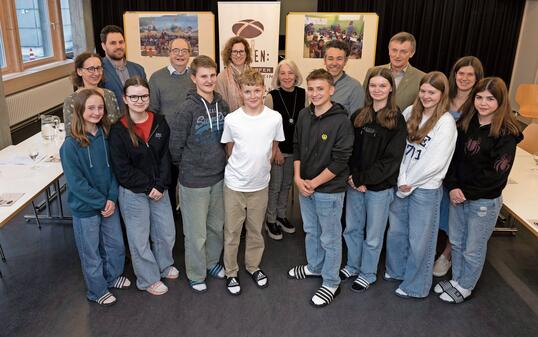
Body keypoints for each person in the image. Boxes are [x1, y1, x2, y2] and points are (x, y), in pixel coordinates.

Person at [434, 77, 522, 303]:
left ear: (500, 101)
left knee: (473, 247)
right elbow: (451, 158)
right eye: (479, 97)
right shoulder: (466, 124)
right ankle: (457, 280)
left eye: (490, 99)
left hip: (482, 201)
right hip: (458, 195)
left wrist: (466, 192)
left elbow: (496, 174)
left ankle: (465, 286)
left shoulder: (506, 133)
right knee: (457, 241)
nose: (483, 103)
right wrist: (453, 187)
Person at [385, 71, 457, 299]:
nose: (426, 96)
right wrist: (402, 179)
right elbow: (400, 149)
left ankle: (415, 286)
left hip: (425, 189)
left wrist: (411, 182)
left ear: (442, 94)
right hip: (402, 183)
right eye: (423, 91)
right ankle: (397, 271)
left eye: (432, 92)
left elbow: (436, 162)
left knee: (420, 241)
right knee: (396, 232)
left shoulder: (445, 122)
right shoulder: (409, 112)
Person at [287, 69, 354, 307]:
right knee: (312, 231)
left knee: (330, 237)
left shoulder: (342, 121)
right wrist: (297, 178)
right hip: (305, 186)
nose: (315, 94)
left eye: (320, 89)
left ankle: (331, 282)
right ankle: (315, 267)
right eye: (312, 89)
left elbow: (340, 161)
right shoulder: (304, 115)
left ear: (331, 90)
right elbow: (296, 147)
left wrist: (313, 183)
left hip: (328, 191)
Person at [60, 89, 130, 306]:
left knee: (115, 246)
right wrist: (101, 202)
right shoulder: (70, 145)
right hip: (86, 208)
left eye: (100, 108)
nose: (96, 112)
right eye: (91, 108)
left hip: (109, 203)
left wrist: (111, 198)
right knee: (91, 252)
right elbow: (76, 183)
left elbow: (113, 171)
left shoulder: (106, 136)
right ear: (79, 111)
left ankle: (112, 276)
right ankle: (97, 290)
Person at [340, 67, 407, 292]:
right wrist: (353, 178)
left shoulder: (397, 120)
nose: (377, 90)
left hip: (379, 187)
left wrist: (363, 179)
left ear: (390, 89)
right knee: (352, 228)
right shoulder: (358, 115)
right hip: (354, 184)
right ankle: (352, 264)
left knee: (373, 234)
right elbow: (348, 149)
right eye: (373, 85)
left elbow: (391, 160)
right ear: (367, 88)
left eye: (382, 86)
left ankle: (367, 273)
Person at [109, 76, 177, 296]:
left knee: (166, 233)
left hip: (160, 189)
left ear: (149, 96)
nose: (139, 100)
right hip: (134, 192)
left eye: (144, 95)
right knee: (139, 239)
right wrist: (149, 187)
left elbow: (166, 157)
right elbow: (123, 169)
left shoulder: (159, 121)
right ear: (125, 99)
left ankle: (164, 265)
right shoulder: (118, 130)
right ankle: (147, 279)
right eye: (134, 96)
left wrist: (160, 185)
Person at [169, 55, 230, 293]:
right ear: (193, 78)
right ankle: (196, 272)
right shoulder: (186, 109)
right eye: (203, 76)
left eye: (212, 75)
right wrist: (190, 167)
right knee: (196, 233)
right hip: (194, 181)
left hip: (219, 177)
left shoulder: (222, 104)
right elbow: (175, 146)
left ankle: (212, 263)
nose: (209, 80)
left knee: (216, 226)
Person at [220, 69, 285, 296]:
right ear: (240, 92)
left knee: (256, 230)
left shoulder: (274, 118)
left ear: (264, 90)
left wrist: (261, 167)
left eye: (257, 90)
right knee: (232, 232)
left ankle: (253, 266)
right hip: (235, 186)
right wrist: (242, 169)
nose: (253, 95)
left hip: (260, 186)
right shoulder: (232, 119)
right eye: (248, 91)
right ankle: (231, 272)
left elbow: (274, 146)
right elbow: (229, 149)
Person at [433, 56, 484, 277]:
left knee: (457, 216)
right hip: (438, 164)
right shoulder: (444, 98)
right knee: (441, 212)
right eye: (460, 73)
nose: (464, 78)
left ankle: (447, 254)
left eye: (469, 74)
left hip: (462, 167)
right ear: (454, 75)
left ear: (477, 78)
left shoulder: (480, 102)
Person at [149, 37, 196, 213]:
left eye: (184, 51)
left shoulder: (195, 78)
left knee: (189, 182)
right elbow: (152, 112)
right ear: (169, 53)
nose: (180, 54)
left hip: (191, 143)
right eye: (176, 50)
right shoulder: (156, 78)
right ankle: (170, 216)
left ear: (190, 54)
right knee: (169, 180)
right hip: (166, 143)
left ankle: (187, 214)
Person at [263, 59, 306, 240]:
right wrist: (276, 150)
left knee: (287, 186)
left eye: (290, 73)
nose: (287, 77)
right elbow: (266, 127)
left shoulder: (304, 94)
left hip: (295, 150)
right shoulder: (271, 96)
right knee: (275, 186)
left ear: (296, 75)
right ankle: (270, 219)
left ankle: (282, 216)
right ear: (278, 77)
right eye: (283, 73)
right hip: (278, 150)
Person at [364, 32, 425, 111]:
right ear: (389, 51)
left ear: (412, 53)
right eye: (394, 50)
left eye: (403, 52)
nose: (397, 55)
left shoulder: (421, 78)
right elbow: (364, 99)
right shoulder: (373, 71)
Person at [63, 52, 120, 135]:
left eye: (99, 68)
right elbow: (70, 134)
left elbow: (118, 126)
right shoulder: (71, 101)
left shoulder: (110, 95)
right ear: (79, 71)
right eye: (91, 69)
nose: (96, 73)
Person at [100, 25, 147, 111]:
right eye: (113, 43)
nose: (118, 46)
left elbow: (146, 97)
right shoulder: (98, 70)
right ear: (103, 46)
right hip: (111, 122)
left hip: (136, 121)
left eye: (121, 42)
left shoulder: (139, 69)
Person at [323, 40, 364, 115]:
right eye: (330, 58)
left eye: (339, 59)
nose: (334, 63)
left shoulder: (355, 87)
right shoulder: (317, 84)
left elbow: (358, 121)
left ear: (345, 61)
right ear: (324, 60)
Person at [216, 36, 252, 112]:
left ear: (246, 53)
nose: (238, 55)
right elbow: (221, 106)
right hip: (231, 121)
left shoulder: (254, 74)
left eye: (241, 51)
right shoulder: (222, 77)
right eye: (235, 51)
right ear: (229, 54)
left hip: (252, 119)